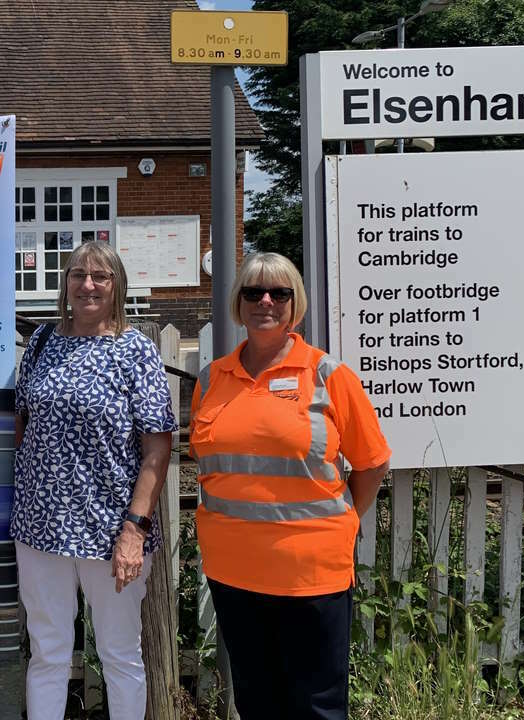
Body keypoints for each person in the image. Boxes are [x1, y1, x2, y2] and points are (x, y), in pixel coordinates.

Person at [190, 252, 390, 720]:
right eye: (253, 292)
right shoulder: (212, 379)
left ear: (294, 303)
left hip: (311, 573)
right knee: (256, 700)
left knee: (316, 705)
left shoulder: (327, 376)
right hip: (234, 572)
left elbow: (373, 463)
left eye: (278, 293)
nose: (265, 301)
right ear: (238, 304)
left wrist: (343, 522)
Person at [13, 240, 176, 719]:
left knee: (119, 655)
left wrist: (134, 530)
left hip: (112, 533)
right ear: (65, 285)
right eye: (78, 274)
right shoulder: (41, 343)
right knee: (47, 653)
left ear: (116, 287)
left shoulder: (135, 351)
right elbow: (22, 424)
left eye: (100, 276)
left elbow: (157, 448)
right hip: (41, 529)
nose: (87, 284)